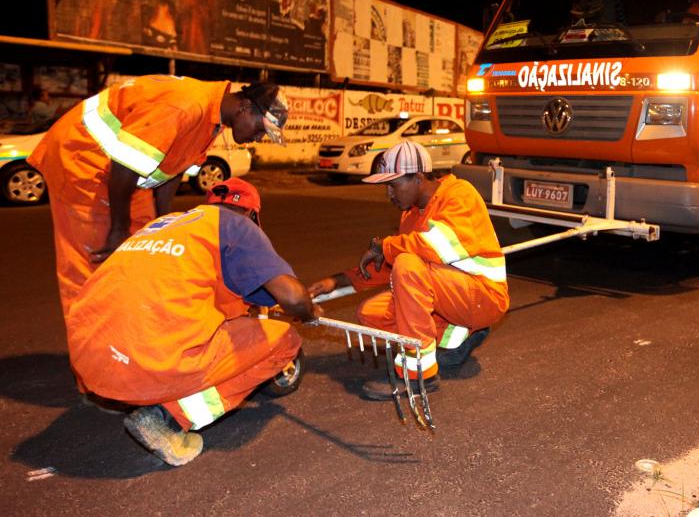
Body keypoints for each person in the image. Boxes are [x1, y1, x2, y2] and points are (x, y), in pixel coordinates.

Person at [28, 75, 289, 392]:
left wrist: (165, 222)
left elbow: (171, 169)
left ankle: (133, 353)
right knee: (96, 273)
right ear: (245, 106)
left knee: (143, 259)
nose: (257, 138)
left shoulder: (212, 117)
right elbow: (124, 166)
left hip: (125, 178)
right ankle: (96, 375)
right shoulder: (185, 107)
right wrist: (118, 229)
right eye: (261, 129)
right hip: (85, 165)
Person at [65, 178, 320, 466]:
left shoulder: (169, 224)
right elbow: (293, 297)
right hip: (145, 364)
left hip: (91, 361)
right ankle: (168, 419)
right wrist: (308, 313)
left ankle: (113, 396)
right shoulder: (238, 226)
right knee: (283, 339)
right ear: (252, 214)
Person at [307, 141, 509, 399]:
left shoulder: (459, 193)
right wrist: (338, 281)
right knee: (372, 313)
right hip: (451, 298)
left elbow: (434, 247)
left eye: (393, 185)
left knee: (407, 266)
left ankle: (419, 377)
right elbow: (391, 262)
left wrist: (386, 247)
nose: (388, 194)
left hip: (484, 297)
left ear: (419, 178)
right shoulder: (412, 214)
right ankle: (455, 340)